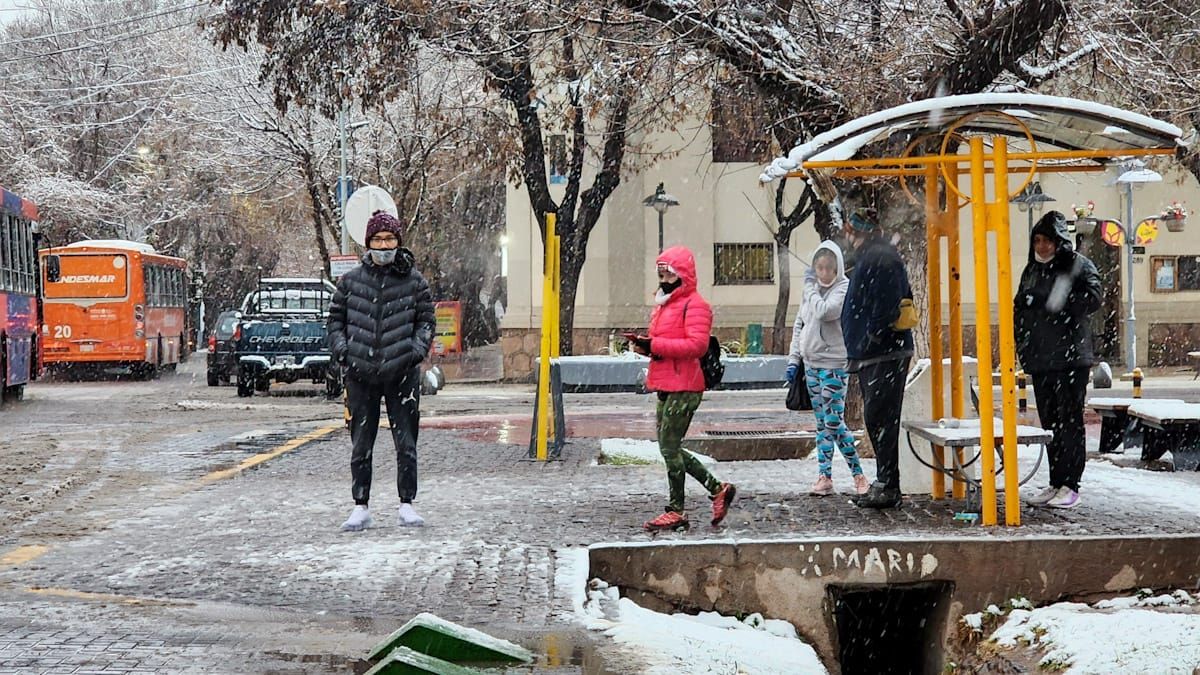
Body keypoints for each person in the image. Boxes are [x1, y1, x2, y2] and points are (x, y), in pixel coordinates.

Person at [327, 210, 436, 531]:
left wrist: (415, 351)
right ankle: (360, 505)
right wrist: (344, 352)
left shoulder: (414, 281)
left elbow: (426, 321)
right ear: (368, 243)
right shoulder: (350, 282)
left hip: (402, 373)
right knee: (361, 442)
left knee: (407, 442)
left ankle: (407, 503)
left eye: (389, 239)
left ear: (398, 242)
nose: (384, 245)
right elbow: (335, 321)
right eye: (378, 240)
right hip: (360, 374)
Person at [632, 246, 736, 532]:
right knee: (670, 447)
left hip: (685, 385)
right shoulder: (665, 305)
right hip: (665, 383)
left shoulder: (696, 305)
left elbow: (696, 346)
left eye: (668, 273)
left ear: (682, 274)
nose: (663, 278)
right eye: (660, 273)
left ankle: (678, 509)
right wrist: (645, 347)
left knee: (668, 447)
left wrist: (655, 346)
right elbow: (664, 346)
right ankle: (717, 489)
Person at [1015, 210, 1102, 510]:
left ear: (1058, 242)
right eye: (1037, 241)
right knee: (1051, 424)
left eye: (1047, 241)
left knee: (1069, 422)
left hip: (1070, 359)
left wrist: (1056, 303)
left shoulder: (1076, 266)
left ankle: (1070, 483)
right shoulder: (1031, 270)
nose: (1041, 247)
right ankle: (1056, 481)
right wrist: (1024, 348)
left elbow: (1093, 298)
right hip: (1042, 360)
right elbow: (1021, 311)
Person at [840, 207, 914, 509]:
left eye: (849, 230)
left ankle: (888, 484)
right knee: (878, 418)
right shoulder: (873, 256)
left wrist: (870, 338)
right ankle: (885, 482)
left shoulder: (879, 257)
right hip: (877, 353)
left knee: (881, 418)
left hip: (884, 353)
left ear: (858, 231)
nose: (846, 235)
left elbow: (886, 305)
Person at [787, 241, 870, 497]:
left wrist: (811, 288)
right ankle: (825, 476)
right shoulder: (809, 291)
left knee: (834, 422)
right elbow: (800, 323)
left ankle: (859, 475)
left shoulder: (843, 289)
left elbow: (824, 312)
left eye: (828, 269)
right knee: (822, 423)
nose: (823, 274)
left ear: (837, 269)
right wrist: (794, 359)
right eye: (819, 268)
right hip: (811, 364)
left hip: (834, 364)